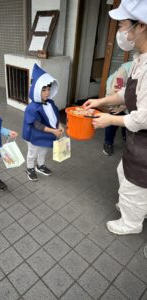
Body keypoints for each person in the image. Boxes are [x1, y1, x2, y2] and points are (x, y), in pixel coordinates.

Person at [84, 0, 147, 235]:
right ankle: (135, 209)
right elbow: (127, 92)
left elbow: (144, 117)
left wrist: (109, 120)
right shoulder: (140, 59)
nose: (120, 32)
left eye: (122, 25)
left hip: (144, 139)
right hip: (137, 138)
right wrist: (101, 101)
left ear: (140, 26)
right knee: (126, 172)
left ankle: (131, 223)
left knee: (135, 181)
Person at [22, 64, 64, 181]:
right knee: (33, 153)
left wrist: (59, 125)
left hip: (48, 134)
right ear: (36, 90)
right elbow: (37, 125)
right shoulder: (32, 107)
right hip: (34, 136)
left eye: (49, 89)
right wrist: (54, 131)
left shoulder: (50, 103)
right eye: (43, 90)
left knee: (43, 150)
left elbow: (55, 117)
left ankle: (40, 166)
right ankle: (30, 168)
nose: (47, 92)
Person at [103, 61, 132, 156]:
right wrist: (120, 107)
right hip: (116, 95)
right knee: (113, 119)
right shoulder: (124, 71)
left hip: (132, 98)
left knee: (128, 121)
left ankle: (126, 139)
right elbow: (116, 92)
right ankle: (108, 142)